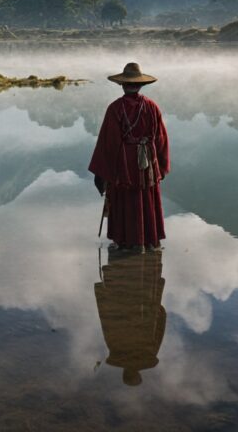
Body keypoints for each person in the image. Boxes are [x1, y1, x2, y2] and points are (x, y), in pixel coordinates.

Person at [89, 61, 169, 251]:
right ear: (140, 85)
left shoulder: (115, 108)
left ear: (123, 85)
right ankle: (148, 240)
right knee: (146, 196)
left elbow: (108, 144)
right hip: (147, 162)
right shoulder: (152, 107)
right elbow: (161, 139)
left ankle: (125, 241)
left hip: (124, 162)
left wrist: (104, 172)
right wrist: (161, 166)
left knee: (124, 198)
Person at [94, 247, 167, 385]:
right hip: (130, 305)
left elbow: (108, 324)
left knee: (143, 284)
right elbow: (108, 323)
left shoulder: (142, 355)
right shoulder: (123, 353)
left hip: (144, 308)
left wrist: (160, 313)